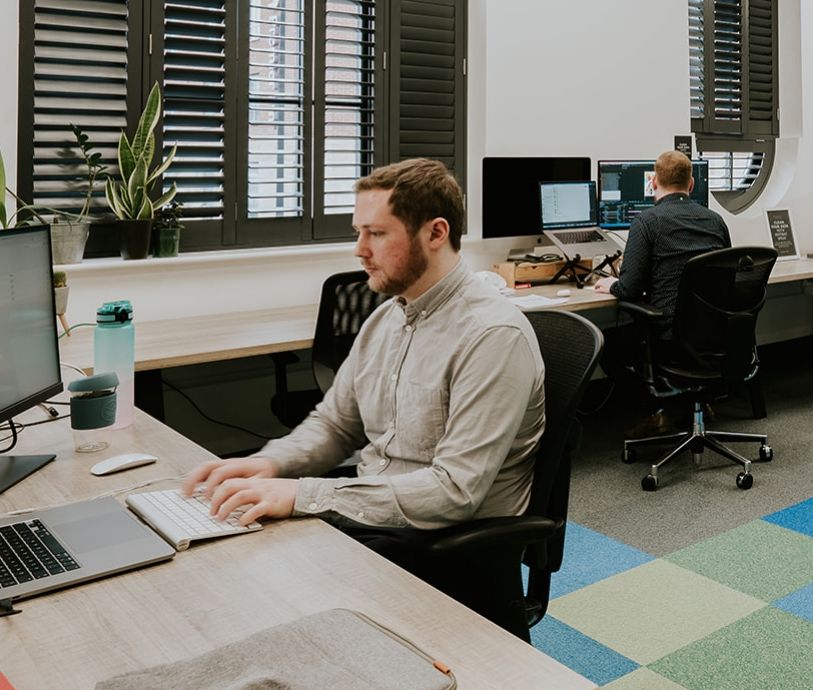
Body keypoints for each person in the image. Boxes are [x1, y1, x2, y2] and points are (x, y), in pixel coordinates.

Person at [181, 158, 546, 553]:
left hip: (443, 545)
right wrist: (272, 463)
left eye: (377, 233)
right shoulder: (387, 318)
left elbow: (454, 492)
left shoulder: (492, 336)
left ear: (436, 233)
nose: (359, 250)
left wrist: (304, 495)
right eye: (359, 232)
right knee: (221, 546)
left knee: (242, 565)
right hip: (372, 516)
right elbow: (336, 425)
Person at [593, 150, 732, 435]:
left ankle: (660, 411)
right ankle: (692, 405)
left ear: (653, 182)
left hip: (669, 339)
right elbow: (725, 276)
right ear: (691, 184)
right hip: (715, 337)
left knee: (605, 344)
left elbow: (629, 288)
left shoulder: (647, 222)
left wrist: (611, 284)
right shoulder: (715, 221)